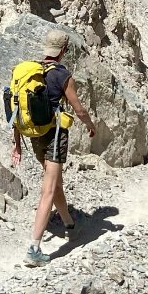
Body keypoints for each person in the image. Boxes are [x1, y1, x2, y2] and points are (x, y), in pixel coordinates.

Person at [11, 29, 95, 267]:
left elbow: (17, 109)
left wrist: (16, 144)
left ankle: (69, 224)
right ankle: (34, 249)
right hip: (54, 136)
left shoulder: (29, 72)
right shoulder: (62, 75)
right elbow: (78, 109)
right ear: (64, 51)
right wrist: (91, 126)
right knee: (48, 189)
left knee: (54, 180)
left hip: (33, 135)